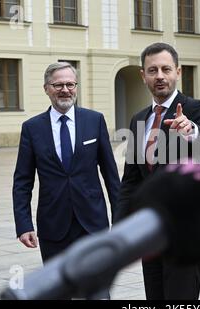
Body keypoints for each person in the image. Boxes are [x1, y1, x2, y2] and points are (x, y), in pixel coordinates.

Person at [115, 42, 200, 300]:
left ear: (178, 72)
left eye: (166, 69)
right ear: (143, 76)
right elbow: (130, 180)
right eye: (152, 70)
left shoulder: (196, 109)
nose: (160, 76)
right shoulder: (139, 119)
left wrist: (192, 131)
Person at [12, 62, 120, 272]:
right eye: (58, 85)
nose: (65, 90)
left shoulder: (94, 120)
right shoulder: (32, 128)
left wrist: (120, 217)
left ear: (76, 87)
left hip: (93, 224)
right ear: (46, 88)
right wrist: (24, 225)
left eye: (70, 84)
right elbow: (22, 182)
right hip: (53, 226)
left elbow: (111, 175)